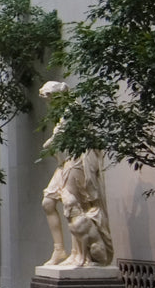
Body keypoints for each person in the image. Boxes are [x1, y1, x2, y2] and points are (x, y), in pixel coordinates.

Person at [40, 81, 114, 266]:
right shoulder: (63, 114)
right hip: (64, 163)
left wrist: (48, 144)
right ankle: (59, 250)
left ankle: (79, 254)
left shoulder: (72, 111)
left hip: (77, 161)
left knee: (74, 207)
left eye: (50, 100)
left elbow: (58, 139)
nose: (49, 105)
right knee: (48, 202)